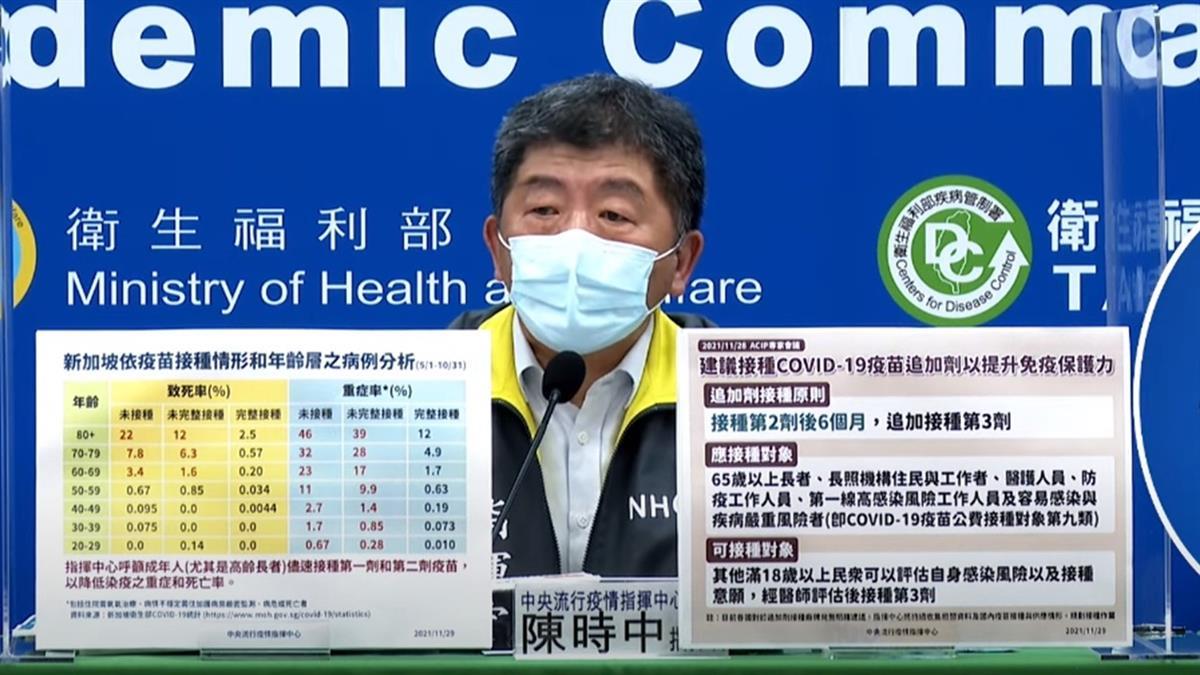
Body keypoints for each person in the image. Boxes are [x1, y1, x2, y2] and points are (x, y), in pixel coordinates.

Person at [450, 73, 714, 578]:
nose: (575, 239)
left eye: (613, 215)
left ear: (681, 261)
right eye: (544, 209)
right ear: (498, 251)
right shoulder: (421, 391)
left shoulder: (743, 397)